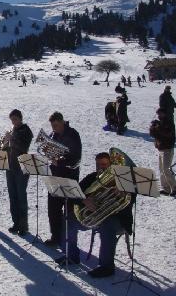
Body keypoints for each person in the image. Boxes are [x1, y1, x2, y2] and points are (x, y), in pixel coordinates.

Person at [56, 152, 135, 278]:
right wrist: (84, 200)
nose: (100, 168)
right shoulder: (92, 177)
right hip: (94, 217)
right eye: (97, 165)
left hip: (118, 220)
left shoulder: (122, 181)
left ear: (112, 165)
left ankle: (106, 267)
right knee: (69, 219)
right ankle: (71, 256)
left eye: (104, 164)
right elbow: (73, 192)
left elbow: (131, 199)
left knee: (107, 226)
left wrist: (124, 193)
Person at [45, 112, 82, 246]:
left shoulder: (72, 134)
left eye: (56, 125)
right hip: (55, 177)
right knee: (53, 210)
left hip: (69, 178)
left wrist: (60, 162)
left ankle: (70, 243)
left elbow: (75, 158)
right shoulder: (52, 135)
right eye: (52, 126)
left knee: (69, 213)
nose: (54, 128)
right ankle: (56, 237)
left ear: (62, 122)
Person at [2, 109, 33, 236]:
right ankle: (16, 223)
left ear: (20, 118)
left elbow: (23, 147)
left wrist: (11, 138)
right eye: (12, 120)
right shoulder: (12, 130)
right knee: (12, 196)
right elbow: (5, 148)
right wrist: (4, 142)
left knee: (21, 197)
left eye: (15, 119)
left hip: (21, 167)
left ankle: (24, 226)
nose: (13, 122)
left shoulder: (26, 131)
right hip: (10, 167)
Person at [149, 108, 176, 195]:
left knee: (166, 169)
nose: (159, 116)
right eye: (158, 114)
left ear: (164, 114)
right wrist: (152, 127)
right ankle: (166, 188)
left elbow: (167, 134)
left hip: (167, 148)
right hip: (161, 148)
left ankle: (175, 188)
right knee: (161, 169)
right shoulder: (160, 123)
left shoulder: (168, 122)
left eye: (160, 114)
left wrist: (157, 127)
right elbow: (152, 134)